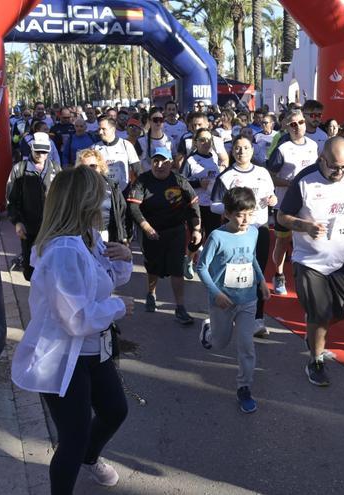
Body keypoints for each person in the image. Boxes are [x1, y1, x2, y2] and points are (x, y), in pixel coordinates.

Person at [11, 165, 135, 495]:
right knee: (73, 437)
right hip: (64, 355)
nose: (105, 202)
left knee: (115, 411)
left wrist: (124, 257)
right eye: (100, 195)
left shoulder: (89, 238)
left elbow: (109, 280)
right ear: (83, 200)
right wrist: (119, 307)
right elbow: (76, 318)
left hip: (93, 349)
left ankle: (89, 460)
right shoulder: (63, 251)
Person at [277, 137, 344, 387]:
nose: (340, 172)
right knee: (320, 313)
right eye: (334, 167)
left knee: (343, 308)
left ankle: (314, 335)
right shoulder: (304, 180)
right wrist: (304, 225)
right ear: (322, 159)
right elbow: (282, 216)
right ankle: (316, 360)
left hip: (341, 260)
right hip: (309, 261)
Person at [196, 187, 272, 413]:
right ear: (227, 214)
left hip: (247, 299)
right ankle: (208, 331)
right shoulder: (217, 236)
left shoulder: (253, 232)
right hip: (222, 301)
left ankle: (244, 388)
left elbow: (251, 260)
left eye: (250, 213)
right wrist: (216, 293)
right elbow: (201, 267)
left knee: (246, 346)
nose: (245, 219)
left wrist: (261, 281)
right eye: (240, 214)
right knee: (219, 343)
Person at [211, 135, 277, 337]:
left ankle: (257, 318)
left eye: (246, 148)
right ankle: (230, 311)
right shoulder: (226, 177)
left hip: (260, 229)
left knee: (258, 275)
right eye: (238, 148)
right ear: (233, 152)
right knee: (236, 273)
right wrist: (234, 209)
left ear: (252, 150)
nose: (241, 152)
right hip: (236, 233)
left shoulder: (263, 173)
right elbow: (214, 205)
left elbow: (271, 195)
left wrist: (273, 199)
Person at [127, 147, 201, 324]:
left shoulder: (180, 181)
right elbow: (133, 207)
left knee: (176, 268)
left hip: (175, 230)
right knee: (152, 267)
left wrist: (196, 230)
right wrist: (146, 227)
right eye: (155, 161)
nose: (159, 165)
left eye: (164, 162)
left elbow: (193, 206)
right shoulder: (143, 181)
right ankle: (151, 293)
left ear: (171, 163)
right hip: (151, 231)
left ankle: (180, 307)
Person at [266, 109, 320, 295]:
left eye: (301, 122)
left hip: (308, 204)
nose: (297, 127)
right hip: (284, 204)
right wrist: (292, 184)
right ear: (286, 127)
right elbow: (270, 177)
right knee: (283, 241)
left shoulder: (313, 145)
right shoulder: (282, 149)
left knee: (305, 240)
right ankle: (279, 275)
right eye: (293, 124)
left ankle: (305, 277)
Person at [8, 132, 63, 281]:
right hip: (29, 229)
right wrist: (17, 222)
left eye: (44, 151)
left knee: (54, 270)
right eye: (37, 150)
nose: (40, 154)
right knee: (31, 271)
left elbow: (64, 199)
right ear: (32, 148)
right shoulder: (19, 169)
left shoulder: (57, 170)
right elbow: (11, 200)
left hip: (53, 229)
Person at [181, 128, 223, 279]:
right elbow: (180, 182)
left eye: (208, 140)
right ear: (196, 142)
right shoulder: (191, 160)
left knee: (213, 237)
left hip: (212, 204)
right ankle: (189, 259)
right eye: (202, 140)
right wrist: (198, 183)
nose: (206, 143)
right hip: (195, 205)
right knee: (196, 237)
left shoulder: (215, 158)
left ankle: (208, 266)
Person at [75, 149, 130, 244]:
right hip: (82, 235)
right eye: (85, 167)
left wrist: (124, 237)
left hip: (108, 234)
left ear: (100, 167)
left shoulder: (112, 186)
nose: (89, 170)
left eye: (93, 166)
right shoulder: (74, 187)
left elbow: (122, 211)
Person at [91, 116, 142, 194]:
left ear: (113, 129)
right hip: (102, 193)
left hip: (123, 191)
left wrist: (139, 189)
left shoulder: (126, 145)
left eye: (103, 129)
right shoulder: (95, 148)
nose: (100, 132)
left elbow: (137, 169)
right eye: (99, 129)